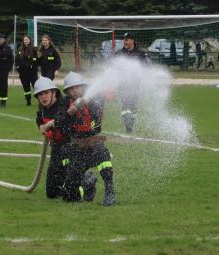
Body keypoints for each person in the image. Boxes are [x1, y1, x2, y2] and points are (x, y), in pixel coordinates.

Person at [58, 72, 116, 206]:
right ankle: (87, 184)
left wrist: (87, 110)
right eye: (71, 89)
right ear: (67, 92)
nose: (74, 91)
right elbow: (60, 124)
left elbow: (97, 127)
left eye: (77, 87)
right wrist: (69, 114)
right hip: (76, 147)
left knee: (102, 155)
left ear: (83, 87)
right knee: (70, 197)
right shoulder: (65, 103)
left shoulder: (93, 102)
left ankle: (110, 191)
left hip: (92, 142)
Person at [34, 77, 69, 199]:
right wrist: (41, 125)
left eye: (46, 93)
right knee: (51, 192)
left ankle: (87, 180)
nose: (43, 97)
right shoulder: (43, 106)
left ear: (54, 92)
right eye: (40, 95)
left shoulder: (64, 104)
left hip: (70, 147)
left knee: (71, 180)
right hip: (56, 147)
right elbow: (39, 117)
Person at [114, 32, 147, 133]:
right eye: (124, 40)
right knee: (125, 104)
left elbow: (145, 68)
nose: (124, 42)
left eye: (127, 40)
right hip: (122, 85)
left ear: (132, 41)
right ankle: (127, 125)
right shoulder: (118, 54)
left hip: (135, 85)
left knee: (133, 106)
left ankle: (130, 125)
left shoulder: (140, 53)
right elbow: (113, 68)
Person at [16, 35, 38, 106]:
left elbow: (37, 59)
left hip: (32, 72)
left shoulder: (34, 49)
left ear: (30, 40)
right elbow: (17, 59)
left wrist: (33, 65)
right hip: (23, 72)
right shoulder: (20, 49)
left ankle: (40, 100)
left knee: (36, 86)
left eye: (27, 40)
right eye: (24, 40)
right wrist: (18, 67)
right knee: (26, 86)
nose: (26, 41)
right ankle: (28, 101)